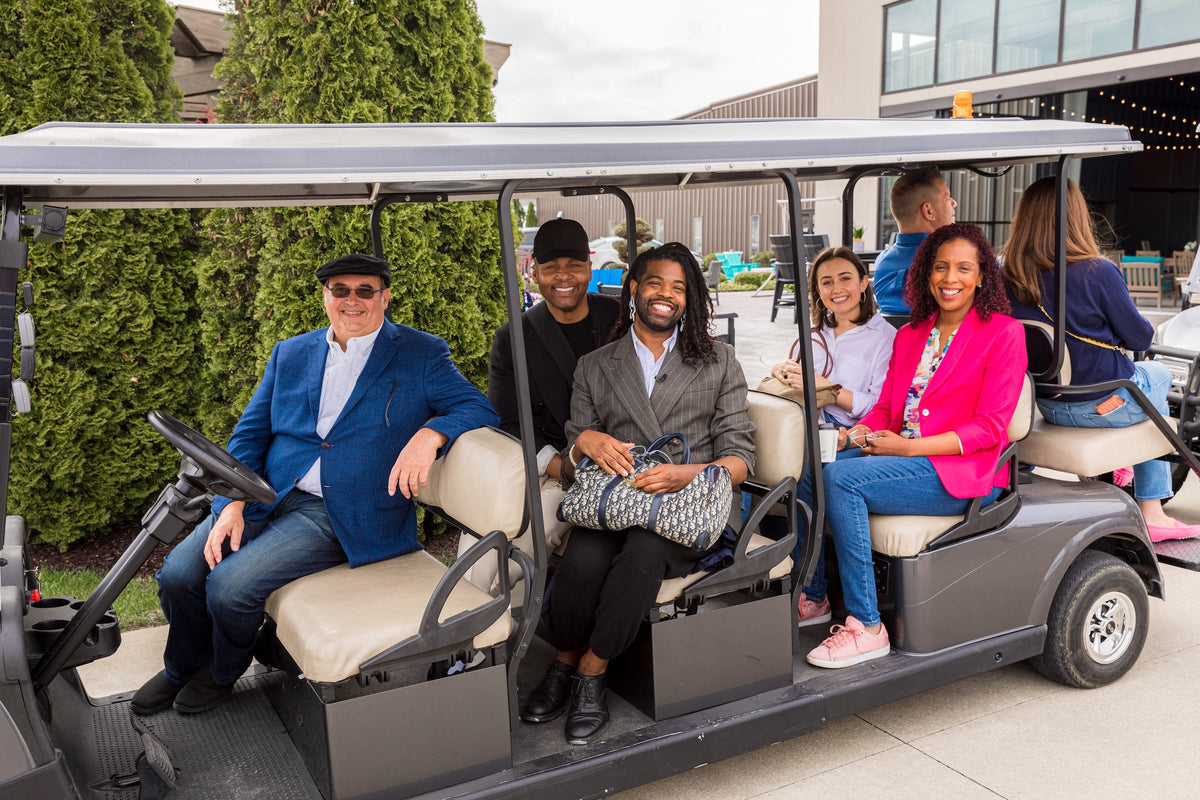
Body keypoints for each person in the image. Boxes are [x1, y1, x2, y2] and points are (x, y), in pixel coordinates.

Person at [131, 254, 499, 716]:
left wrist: (431, 434)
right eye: (340, 290)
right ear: (325, 297)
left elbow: (478, 407)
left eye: (365, 290)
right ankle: (180, 667)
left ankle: (222, 671)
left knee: (229, 588)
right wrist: (231, 503)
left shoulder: (420, 353)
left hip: (342, 512)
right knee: (179, 576)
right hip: (265, 495)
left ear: (385, 297)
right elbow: (249, 435)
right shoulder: (291, 353)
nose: (352, 300)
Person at [520, 242, 754, 744]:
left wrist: (684, 474)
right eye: (655, 283)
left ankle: (591, 670)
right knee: (583, 558)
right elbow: (576, 453)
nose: (665, 295)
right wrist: (583, 441)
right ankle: (563, 657)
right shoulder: (596, 365)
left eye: (678, 287)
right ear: (633, 289)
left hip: (689, 505)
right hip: (616, 500)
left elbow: (740, 458)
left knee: (642, 555)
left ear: (690, 298)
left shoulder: (719, 361)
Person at [808, 223, 1027, 669]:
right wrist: (854, 435)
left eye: (964, 268)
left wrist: (909, 448)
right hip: (902, 456)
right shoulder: (910, 334)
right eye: (941, 267)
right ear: (927, 274)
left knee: (842, 479)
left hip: (958, 471)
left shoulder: (1003, 333)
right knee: (812, 467)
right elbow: (886, 411)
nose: (951, 278)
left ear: (981, 276)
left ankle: (867, 627)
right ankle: (813, 598)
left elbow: (990, 428)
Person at [1001, 176, 1200, 541]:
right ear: (1077, 217)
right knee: (1156, 375)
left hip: (1048, 404)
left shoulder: (1006, 276)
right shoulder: (1097, 271)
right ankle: (1153, 510)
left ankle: (1130, 473)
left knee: (1147, 384)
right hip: (1102, 406)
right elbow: (1140, 337)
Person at [480, 219, 620, 578]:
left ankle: (496, 610)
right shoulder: (512, 338)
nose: (564, 277)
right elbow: (507, 421)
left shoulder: (621, 319)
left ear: (589, 268)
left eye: (574, 266)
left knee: (515, 553)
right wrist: (563, 468)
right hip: (549, 465)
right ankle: (466, 610)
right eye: (552, 267)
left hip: (616, 466)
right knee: (483, 544)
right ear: (535, 273)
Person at [767, 246, 895, 626]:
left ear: (863, 283)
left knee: (808, 472)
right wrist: (785, 373)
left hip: (857, 436)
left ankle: (813, 593)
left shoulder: (884, 337)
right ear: (817, 291)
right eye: (826, 282)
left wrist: (828, 388)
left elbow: (880, 404)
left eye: (845, 279)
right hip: (809, 428)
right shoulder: (814, 334)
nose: (836, 289)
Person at [872, 167, 958, 315]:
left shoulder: (882, 262)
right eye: (946, 198)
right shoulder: (955, 258)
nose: (954, 203)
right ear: (929, 211)